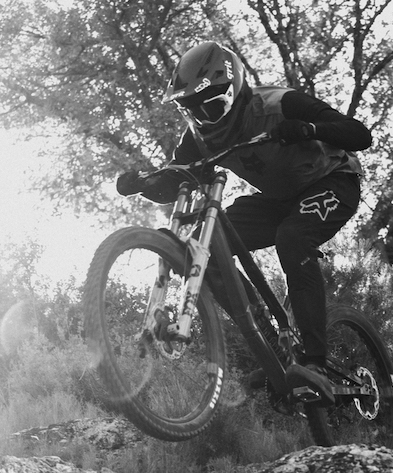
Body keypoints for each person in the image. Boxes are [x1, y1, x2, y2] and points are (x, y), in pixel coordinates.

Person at [116, 40, 373, 405]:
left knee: (293, 238)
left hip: (333, 182)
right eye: (193, 111)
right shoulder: (199, 135)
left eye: (212, 106)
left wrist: (307, 129)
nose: (203, 117)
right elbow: (176, 179)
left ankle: (315, 362)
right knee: (206, 246)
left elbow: (360, 134)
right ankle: (273, 345)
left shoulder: (278, 104)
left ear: (233, 91)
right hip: (278, 198)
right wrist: (143, 184)